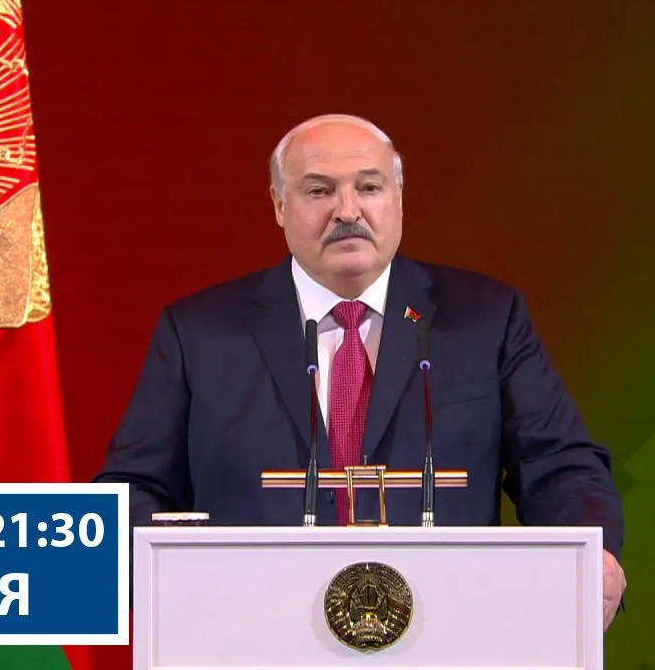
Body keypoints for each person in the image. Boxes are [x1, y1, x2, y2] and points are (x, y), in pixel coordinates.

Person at [95, 113, 627, 628]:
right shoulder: (200, 333)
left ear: (399, 198)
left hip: (448, 632)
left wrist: (591, 550)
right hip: (254, 633)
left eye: (369, 188)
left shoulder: (486, 318)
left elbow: (558, 464)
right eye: (319, 191)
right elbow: (136, 488)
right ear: (279, 204)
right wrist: (186, 584)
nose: (347, 211)